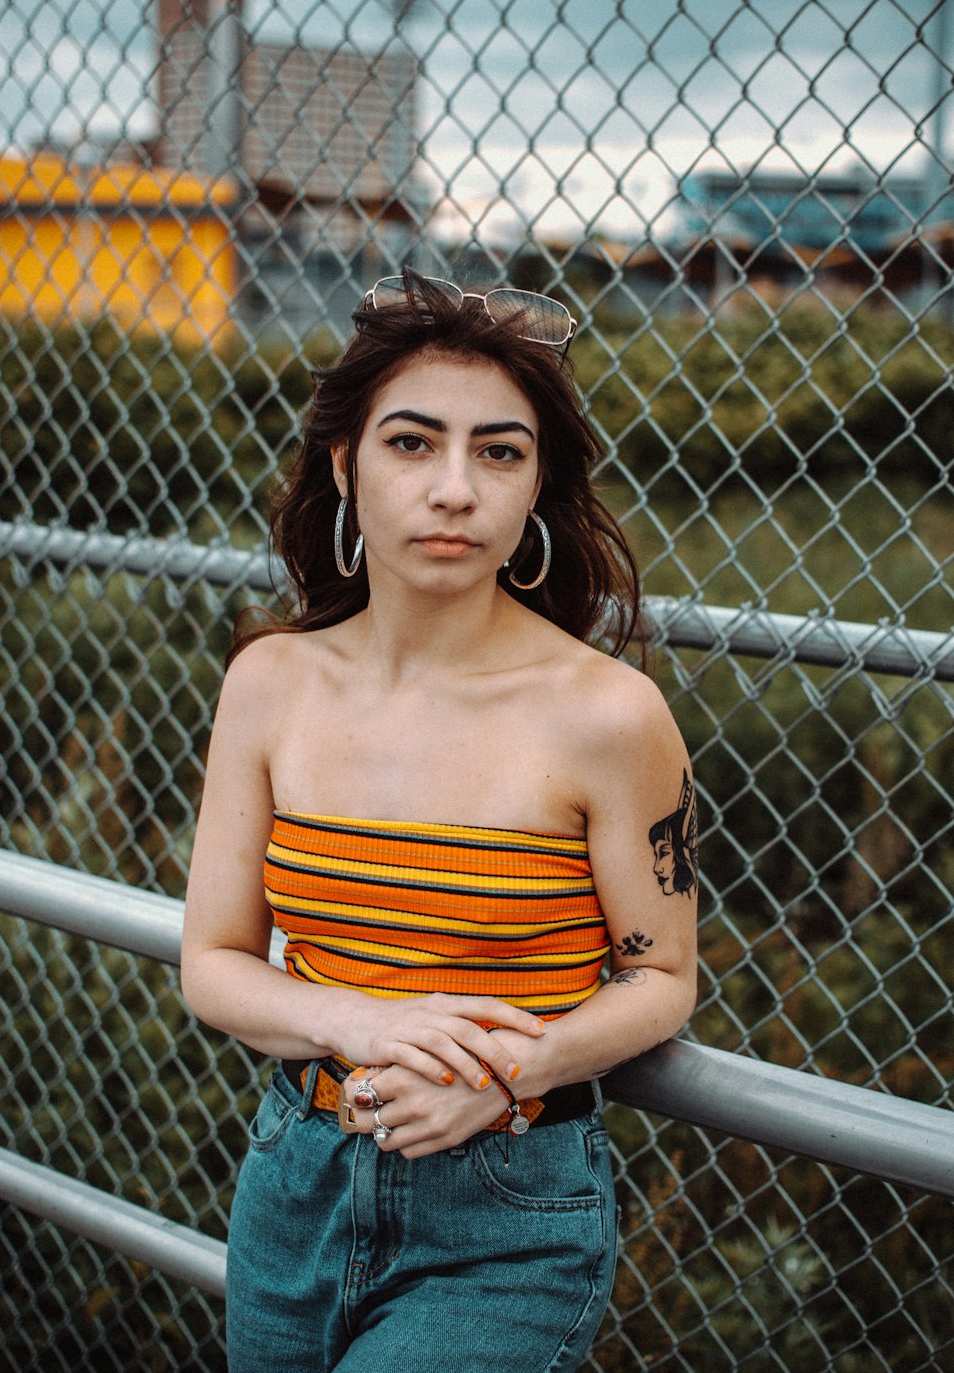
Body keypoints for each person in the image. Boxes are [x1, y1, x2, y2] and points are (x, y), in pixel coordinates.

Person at [181, 270, 699, 1373]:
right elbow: (213, 964)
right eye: (412, 444)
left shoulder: (608, 715)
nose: (454, 489)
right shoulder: (271, 682)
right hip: (294, 1178)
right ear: (344, 466)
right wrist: (358, 1024)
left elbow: (663, 981)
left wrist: (513, 1071)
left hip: (506, 1210)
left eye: (498, 452)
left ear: (533, 486)